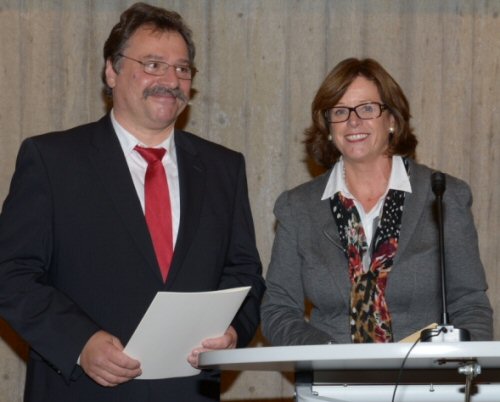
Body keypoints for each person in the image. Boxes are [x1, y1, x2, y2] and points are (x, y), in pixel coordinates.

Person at [0, 3, 264, 401]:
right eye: (153, 64)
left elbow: (244, 273)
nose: (170, 79)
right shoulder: (53, 160)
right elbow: (11, 273)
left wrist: (233, 332)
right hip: (82, 389)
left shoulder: (224, 168)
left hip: (188, 390)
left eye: (182, 68)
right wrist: (80, 343)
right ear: (112, 70)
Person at [261, 58, 492, 346]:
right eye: (340, 111)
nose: (353, 121)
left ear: (392, 120)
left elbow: (470, 304)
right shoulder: (297, 207)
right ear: (328, 127)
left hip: (426, 383)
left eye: (368, 108)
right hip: (331, 384)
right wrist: (328, 357)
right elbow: (278, 310)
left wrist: (461, 367)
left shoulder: (444, 196)